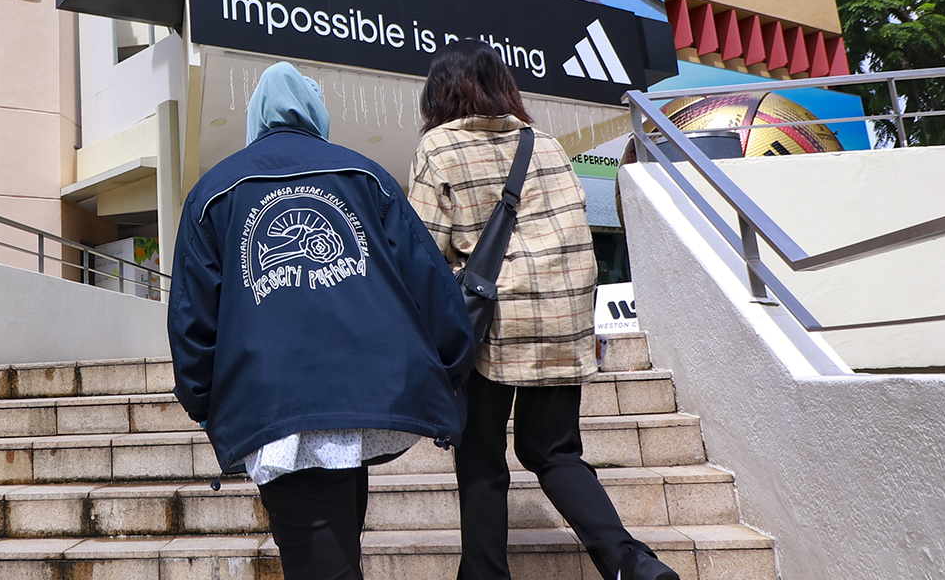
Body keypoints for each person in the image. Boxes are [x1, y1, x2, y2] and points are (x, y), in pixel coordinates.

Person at [169, 62, 473, 580]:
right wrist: (452, 366)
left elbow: (192, 322)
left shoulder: (213, 193)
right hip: (361, 397)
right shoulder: (365, 176)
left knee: (321, 559)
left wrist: (203, 402)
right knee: (335, 550)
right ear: (315, 112)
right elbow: (433, 286)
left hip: (275, 406)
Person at [407, 41, 678, 580]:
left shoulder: (439, 147)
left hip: (489, 328)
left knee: (481, 459)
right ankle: (631, 565)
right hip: (561, 321)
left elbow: (422, 251)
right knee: (555, 453)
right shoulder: (545, 145)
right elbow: (577, 235)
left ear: (440, 92)